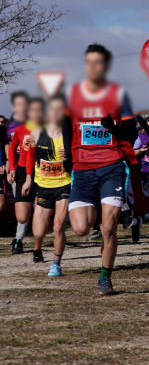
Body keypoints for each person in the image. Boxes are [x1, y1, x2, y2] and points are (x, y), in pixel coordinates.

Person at [66, 43, 137, 296]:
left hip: (111, 166)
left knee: (108, 228)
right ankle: (101, 205)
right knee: (80, 229)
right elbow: (66, 127)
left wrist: (113, 127)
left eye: (98, 62)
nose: (93, 67)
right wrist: (67, 159)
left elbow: (132, 131)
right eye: (89, 62)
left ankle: (105, 277)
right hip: (83, 169)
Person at [23, 94, 73, 274]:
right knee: (38, 232)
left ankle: (56, 264)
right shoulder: (36, 132)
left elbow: (80, 156)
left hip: (64, 183)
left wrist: (69, 155)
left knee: (58, 226)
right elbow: (28, 155)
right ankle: (38, 247)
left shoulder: (71, 134)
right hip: (43, 185)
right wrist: (28, 179)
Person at [8, 96, 43, 256]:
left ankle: (32, 241)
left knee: (41, 211)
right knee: (22, 216)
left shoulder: (47, 128)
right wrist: (13, 168)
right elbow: (11, 147)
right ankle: (19, 237)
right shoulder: (21, 129)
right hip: (23, 170)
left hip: (44, 171)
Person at [3, 91, 29, 251]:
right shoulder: (8, 125)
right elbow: (7, 145)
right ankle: (18, 239)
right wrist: (9, 164)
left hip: (36, 168)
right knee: (21, 203)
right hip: (17, 168)